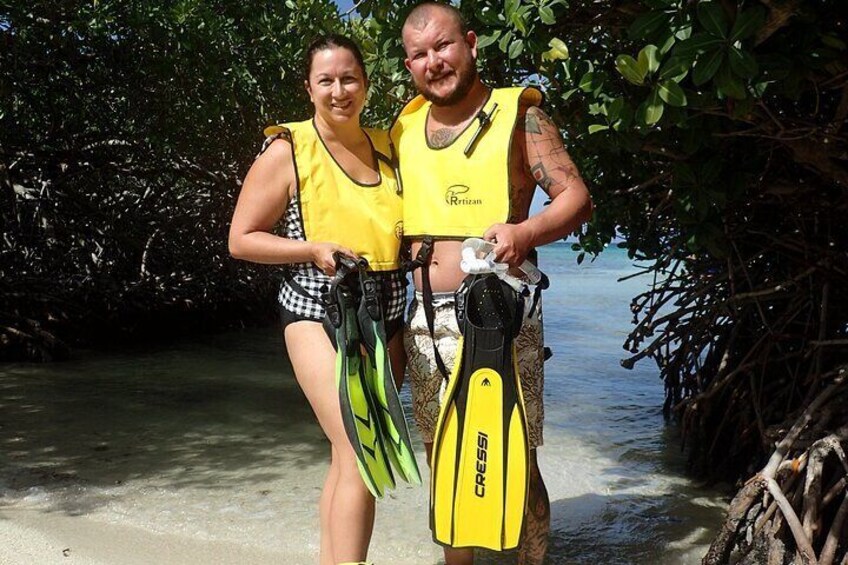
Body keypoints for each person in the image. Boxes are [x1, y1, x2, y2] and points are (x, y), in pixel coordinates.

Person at [392, 3, 593, 564]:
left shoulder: (519, 116)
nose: (434, 62)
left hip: (500, 313)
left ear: (472, 43)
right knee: (442, 452)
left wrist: (524, 232)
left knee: (515, 456)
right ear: (409, 64)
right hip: (425, 318)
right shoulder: (403, 126)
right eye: (419, 54)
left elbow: (576, 198)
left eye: (443, 46)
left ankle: (532, 561)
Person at [228, 34, 405, 565]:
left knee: (344, 454)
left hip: (385, 316)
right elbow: (242, 239)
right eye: (325, 80)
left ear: (366, 85)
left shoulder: (390, 146)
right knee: (360, 449)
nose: (338, 90)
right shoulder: (288, 149)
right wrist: (311, 247)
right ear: (309, 88)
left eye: (349, 78)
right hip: (314, 311)